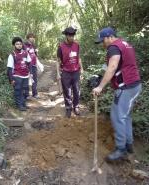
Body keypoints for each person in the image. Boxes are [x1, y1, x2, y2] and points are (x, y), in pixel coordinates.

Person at [93, 27, 142, 161]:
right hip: (135, 85)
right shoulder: (125, 44)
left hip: (126, 87)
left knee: (117, 117)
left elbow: (113, 67)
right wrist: (100, 77)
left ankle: (121, 149)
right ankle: (129, 144)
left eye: (103, 40)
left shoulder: (113, 47)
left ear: (109, 37)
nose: (102, 44)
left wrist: (100, 87)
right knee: (126, 116)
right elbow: (119, 65)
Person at [57, 27, 84, 118]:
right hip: (66, 72)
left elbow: (78, 57)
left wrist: (82, 68)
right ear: (66, 36)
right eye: (70, 35)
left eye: (73, 35)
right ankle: (68, 108)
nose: (72, 37)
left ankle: (76, 106)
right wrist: (58, 73)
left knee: (76, 90)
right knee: (67, 91)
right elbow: (58, 61)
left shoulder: (77, 45)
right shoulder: (61, 47)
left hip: (76, 71)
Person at [7, 37, 31, 111]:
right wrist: (11, 79)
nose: (19, 45)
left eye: (20, 44)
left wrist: (30, 72)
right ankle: (19, 105)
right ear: (14, 45)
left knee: (25, 91)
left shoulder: (25, 53)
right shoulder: (12, 55)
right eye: (17, 44)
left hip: (25, 75)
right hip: (17, 75)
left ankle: (24, 104)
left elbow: (29, 62)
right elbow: (9, 68)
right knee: (18, 90)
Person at [24, 33, 39, 99]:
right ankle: (27, 95)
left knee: (34, 79)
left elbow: (35, 56)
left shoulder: (34, 46)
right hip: (27, 66)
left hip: (34, 65)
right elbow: (23, 55)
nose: (32, 38)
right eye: (31, 37)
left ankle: (35, 94)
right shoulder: (25, 46)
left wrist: (36, 52)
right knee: (27, 79)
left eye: (33, 37)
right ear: (28, 38)